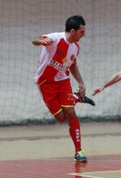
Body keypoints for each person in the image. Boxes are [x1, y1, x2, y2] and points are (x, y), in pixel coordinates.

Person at [32, 15, 95, 162]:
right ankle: (77, 97)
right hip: (45, 83)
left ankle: (78, 151)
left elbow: (72, 64)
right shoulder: (55, 38)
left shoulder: (75, 48)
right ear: (73, 31)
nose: (83, 34)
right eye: (82, 31)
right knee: (61, 118)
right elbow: (34, 40)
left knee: (71, 113)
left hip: (63, 81)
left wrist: (80, 82)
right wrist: (41, 41)